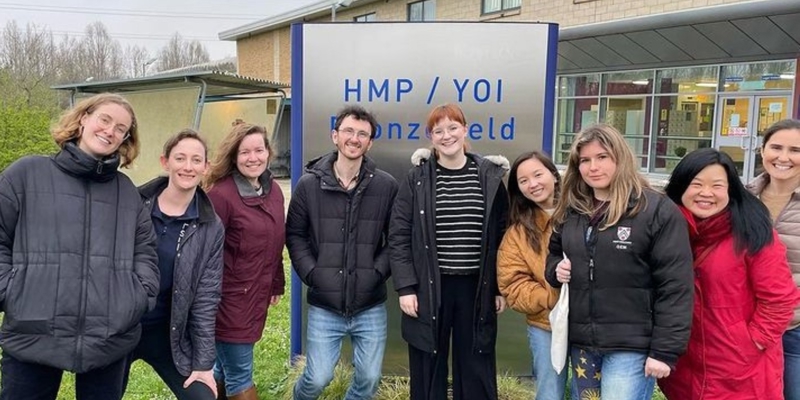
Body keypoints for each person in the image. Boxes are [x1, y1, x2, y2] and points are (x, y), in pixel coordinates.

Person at [0, 93, 159, 400]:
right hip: (32, 333)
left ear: (126, 139)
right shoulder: (26, 174)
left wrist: (136, 297)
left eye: (121, 128)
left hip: (109, 337)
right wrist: (11, 291)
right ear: (84, 118)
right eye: (104, 119)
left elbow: (145, 252)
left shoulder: (127, 193)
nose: (110, 131)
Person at [544, 123, 693, 400]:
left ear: (620, 158)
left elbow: (675, 286)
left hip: (631, 346)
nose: (593, 167)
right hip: (583, 343)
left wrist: (664, 351)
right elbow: (554, 254)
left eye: (602, 157)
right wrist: (556, 269)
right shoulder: (573, 209)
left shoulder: (655, 210)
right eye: (585, 160)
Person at [389, 103, 509, 400]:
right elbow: (399, 236)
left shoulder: (489, 177)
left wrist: (499, 287)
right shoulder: (417, 178)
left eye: (453, 127)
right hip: (430, 286)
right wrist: (406, 287)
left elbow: (502, 237)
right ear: (430, 137)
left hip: (476, 288)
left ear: (465, 130)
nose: (447, 136)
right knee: (428, 363)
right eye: (438, 130)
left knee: (476, 364)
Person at [660, 148, 800, 399]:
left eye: (717, 185)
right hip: (685, 364)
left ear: (731, 190)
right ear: (680, 187)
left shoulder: (752, 234)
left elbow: (780, 299)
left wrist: (752, 342)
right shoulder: (667, 231)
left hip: (741, 369)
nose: (706, 193)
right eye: (696, 184)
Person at [287, 105, 398, 400]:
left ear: (370, 143)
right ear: (335, 136)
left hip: (369, 303)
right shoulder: (308, 185)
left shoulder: (386, 186)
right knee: (317, 378)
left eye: (362, 134)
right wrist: (314, 274)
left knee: (369, 379)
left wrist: (376, 273)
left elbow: (396, 238)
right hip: (325, 303)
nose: (354, 138)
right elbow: (295, 235)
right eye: (348, 131)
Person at [123, 129, 224, 400]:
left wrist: (203, 364)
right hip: (122, 327)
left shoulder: (210, 226)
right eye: (180, 158)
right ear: (165, 162)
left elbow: (206, 297)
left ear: (205, 167)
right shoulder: (132, 205)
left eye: (196, 160)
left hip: (168, 333)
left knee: (203, 397)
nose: (188, 167)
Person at [205, 123, 286, 400]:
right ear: (234, 156)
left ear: (268, 152)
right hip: (227, 300)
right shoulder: (220, 196)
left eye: (259, 150)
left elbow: (275, 241)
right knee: (240, 374)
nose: (253, 158)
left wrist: (276, 283)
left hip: (256, 295)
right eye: (245, 152)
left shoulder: (273, 191)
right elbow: (205, 254)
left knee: (223, 368)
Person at [496, 151, 566, 400]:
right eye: (523, 181)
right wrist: (550, 299)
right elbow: (512, 284)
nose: (533, 184)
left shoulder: (585, 213)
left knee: (590, 392)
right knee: (549, 392)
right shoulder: (518, 233)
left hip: (592, 323)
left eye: (538, 175)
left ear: (554, 175)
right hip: (545, 325)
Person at [746, 119, 800, 400]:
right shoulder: (743, 198)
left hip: (795, 329)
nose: (784, 157)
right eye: (776, 147)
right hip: (749, 326)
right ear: (762, 150)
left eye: (795, 150)